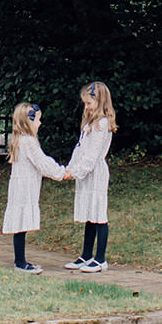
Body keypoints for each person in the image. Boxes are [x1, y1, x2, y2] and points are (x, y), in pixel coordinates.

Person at [1, 101, 70, 273]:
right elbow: (43, 163)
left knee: (20, 226)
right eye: (37, 120)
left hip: (20, 187)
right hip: (24, 189)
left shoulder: (19, 141)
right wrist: (61, 173)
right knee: (21, 225)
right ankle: (20, 263)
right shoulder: (29, 142)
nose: (40, 123)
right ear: (27, 122)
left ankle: (20, 260)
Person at [64, 80, 116, 272]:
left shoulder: (102, 124)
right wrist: (70, 168)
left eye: (89, 103)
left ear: (100, 102)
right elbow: (80, 149)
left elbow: (93, 156)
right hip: (85, 174)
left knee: (99, 214)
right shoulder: (89, 123)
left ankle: (100, 259)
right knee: (89, 215)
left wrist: (77, 172)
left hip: (95, 174)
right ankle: (86, 255)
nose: (86, 107)